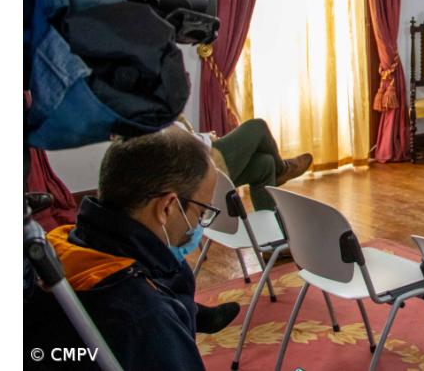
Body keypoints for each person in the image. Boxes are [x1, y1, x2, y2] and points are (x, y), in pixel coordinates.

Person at [24, 128, 226, 369]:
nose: (198, 224)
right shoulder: (145, 319)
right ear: (167, 207)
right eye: (202, 212)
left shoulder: (58, 248)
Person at [176, 116, 312, 212]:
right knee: (258, 126)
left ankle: (271, 243)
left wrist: (205, 136)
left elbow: (186, 136)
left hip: (202, 161)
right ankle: (283, 170)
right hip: (204, 166)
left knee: (265, 164)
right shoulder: (158, 121)